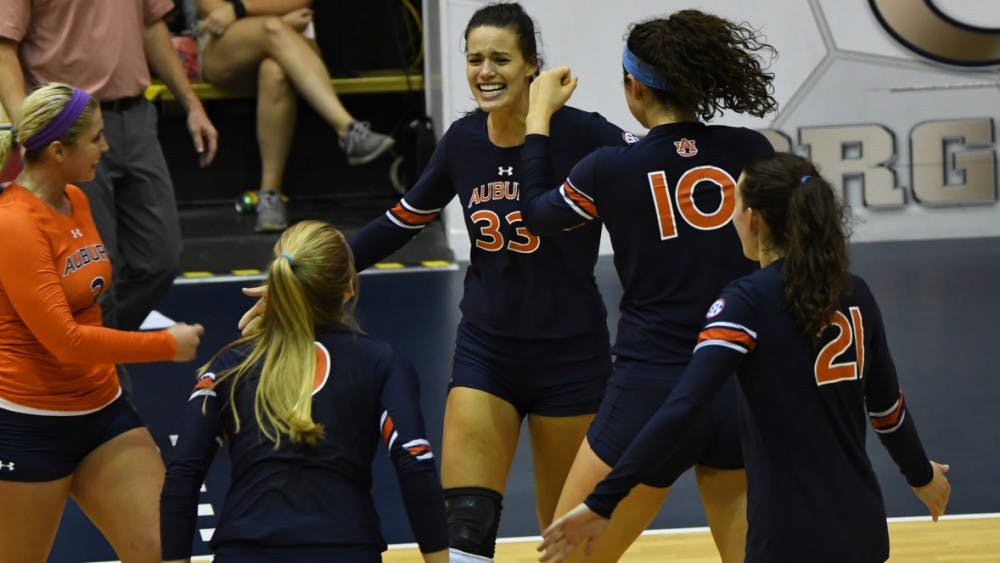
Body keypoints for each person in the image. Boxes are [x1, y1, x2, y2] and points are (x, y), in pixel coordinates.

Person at [237, 3, 635, 561]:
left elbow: (651, 172)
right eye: (475, 59)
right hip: (487, 354)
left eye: (501, 59)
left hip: (572, 361)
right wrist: (298, 281)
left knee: (567, 544)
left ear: (531, 67)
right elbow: (398, 223)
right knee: (464, 533)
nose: (485, 72)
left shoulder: (583, 133)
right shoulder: (463, 141)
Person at [537, 152, 952, 563]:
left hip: (786, 539)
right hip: (862, 530)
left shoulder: (747, 302)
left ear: (753, 219)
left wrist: (603, 502)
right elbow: (887, 410)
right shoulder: (856, 292)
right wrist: (920, 474)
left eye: (733, 207)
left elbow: (683, 406)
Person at [518, 11, 779, 561]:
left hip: (651, 392)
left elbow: (537, 214)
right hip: (741, 384)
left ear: (634, 88)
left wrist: (538, 115)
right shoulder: (751, 150)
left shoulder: (610, 169)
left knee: (566, 556)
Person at [160, 220, 449, 563]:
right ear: (349, 289)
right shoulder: (384, 363)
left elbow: (183, 474)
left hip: (247, 551)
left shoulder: (229, 366)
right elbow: (415, 464)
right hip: (345, 550)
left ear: (277, 283)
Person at [0, 83, 205, 562]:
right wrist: (163, 346)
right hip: (30, 424)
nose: (106, 147)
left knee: (163, 549)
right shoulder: (14, 224)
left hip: (102, 411)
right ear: (57, 150)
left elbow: (89, 303)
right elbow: (65, 342)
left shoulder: (77, 198)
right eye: (95, 139)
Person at [0, 0, 218, 336]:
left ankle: (84, 353)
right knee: (94, 274)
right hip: (67, 129)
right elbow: (4, 47)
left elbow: (151, 24)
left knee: (161, 259)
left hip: (135, 114)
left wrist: (191, 103)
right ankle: (99, 370)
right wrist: (31, 130)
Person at [195, 0, 396, 232]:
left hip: (292, 43)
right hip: (228, 48)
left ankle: (270, 196)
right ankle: (347, 128)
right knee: (272, 29)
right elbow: (213, 12)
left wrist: (241, 10)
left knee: (275, 71)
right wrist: (272, 17)